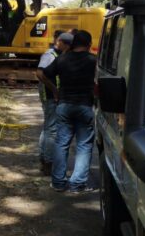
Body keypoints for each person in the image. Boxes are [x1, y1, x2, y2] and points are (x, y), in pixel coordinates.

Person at [40, 30, 97, 193]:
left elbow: (42, 74)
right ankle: (77, 184)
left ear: (72, 44)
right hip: (85, 106)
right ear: (89, 44)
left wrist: (55, 91)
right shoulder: (93, 60)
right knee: (84, 146)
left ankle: (58, 183)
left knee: (61, 143)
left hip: (64, 106)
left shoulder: (62, 59)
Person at [35, 31, 73, 176]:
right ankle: (48, 163)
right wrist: (55, 90)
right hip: (51, 96)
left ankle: (45, 159)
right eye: (68, 45)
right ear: (60, 42)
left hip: (53, 96)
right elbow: (40, 73)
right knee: (51, 130)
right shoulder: (49, 55)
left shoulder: (58, 55)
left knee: (47, 128)